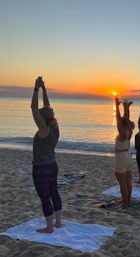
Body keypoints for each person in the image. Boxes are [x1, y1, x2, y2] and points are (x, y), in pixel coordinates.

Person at [31, 76, 62, 233]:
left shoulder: (44, 130)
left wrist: (36, 88)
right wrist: (44, 89)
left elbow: (34, 108)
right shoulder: (55, 126)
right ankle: (57, 223)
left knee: (45, 196)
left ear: (42, 119)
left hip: (41, 168)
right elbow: (46, 106)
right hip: (52, 166)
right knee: (54, 192)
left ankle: (49, 228)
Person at [114, 97, 135, 209]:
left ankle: (125, 203)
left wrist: (117, 106)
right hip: (128, 157)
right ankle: (128, 201)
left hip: (122, 158)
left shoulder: (122, 134)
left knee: (122, 183)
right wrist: (126, 107)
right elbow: (126, 119)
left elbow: (119, 120)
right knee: (128, 183)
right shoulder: (129, 130)